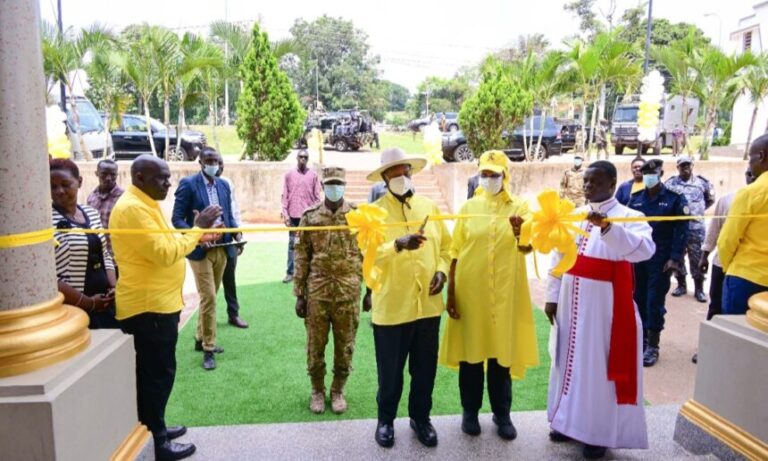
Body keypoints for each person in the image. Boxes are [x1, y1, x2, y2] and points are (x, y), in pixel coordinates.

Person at [111, 155, 222, 461]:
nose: (168, 183)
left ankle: (153, 426)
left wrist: (196, 233)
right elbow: (164, 253)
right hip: (149, 309)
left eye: (167, 177)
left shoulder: (144, 203)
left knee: (155, 373)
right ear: (139, 177)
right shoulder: (133, 208)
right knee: (157, 375)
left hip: (158, 306)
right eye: (161, 178)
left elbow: (170, 239)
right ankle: (157, 441)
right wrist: (197, 229)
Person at [545, 160, 655, 460]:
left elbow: (644, 250)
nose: (588, 186)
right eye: (586, 182)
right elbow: (559, 255)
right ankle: (567, 422)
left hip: (604, 308)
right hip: (570, 300)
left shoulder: (630, 216)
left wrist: (607, 229)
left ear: (611, 183)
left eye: (595, 182)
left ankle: (596, 432)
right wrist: (552, 296)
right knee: (569, 362)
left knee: (596, 367)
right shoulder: (575, 215)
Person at [439, 151, 539, 440]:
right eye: (485, 173)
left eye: (495, 174)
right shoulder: (469, 207)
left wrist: (522, 233)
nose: (489, 178)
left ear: (505, 175)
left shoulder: (520, 207)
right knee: (471, 357)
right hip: (472, 293)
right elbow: (456, 252)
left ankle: (502, 414)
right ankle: (469, 412)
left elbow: (527, 248)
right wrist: (452, 293)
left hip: (505, 295)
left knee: (500, 357)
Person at [366, 147, 451, 449]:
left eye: (405, 171)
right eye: (394, 172)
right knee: (390, 374)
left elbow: (446, 248)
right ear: (384, 177)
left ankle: (421, 418)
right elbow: (366, 256)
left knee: (425, 370)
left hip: (427, 308)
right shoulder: (373, 213)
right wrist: (397, 245)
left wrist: (441, 272)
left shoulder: (429, 207)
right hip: (391, 309)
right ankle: (385, 420)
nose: (401, 176)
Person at [293, 167, 365, 415]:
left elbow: (369, 252)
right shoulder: (310, 217)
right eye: (331, 184)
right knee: (316, 346)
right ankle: (317, 390)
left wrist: (371, 291)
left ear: (345, 185)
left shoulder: (358, 216)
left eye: (339, 183)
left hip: (349, 292)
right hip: (318, 293)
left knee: (345, 347)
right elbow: (301, 256)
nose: (335, 188)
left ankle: (337, 390)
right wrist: (299, 295)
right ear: (323, 186)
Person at [172, 147, 239, 371]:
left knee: (210, 296)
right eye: (209, 160)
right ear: (200, 162)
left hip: (221, 248)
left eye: (216, 161)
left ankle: (200, 337)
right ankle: (209, 348)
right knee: (209, 297)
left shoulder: (223, 185)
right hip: (200, 250)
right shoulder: (189, 184)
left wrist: (236, 234)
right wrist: (197, 232)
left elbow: (227, 215)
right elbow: (176, 219)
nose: (213, 164)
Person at [628, 159, 689, 367]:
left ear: (661, 173)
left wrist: (675, 258)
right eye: (646, 172)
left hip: (661, 259)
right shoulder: (636, 199)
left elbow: (682, 230)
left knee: (654, 300)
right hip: (639, 258)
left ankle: (653, 345)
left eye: (652, 172)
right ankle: (641, 339)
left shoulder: (674, 199)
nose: (649, 176)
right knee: (638, 298)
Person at [693, 168, 756, 363]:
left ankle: (740, 355)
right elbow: (715, 230)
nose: (751, 177)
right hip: (722, 264)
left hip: (750, 269)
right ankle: (708, 348)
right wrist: (705, 255)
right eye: (748, 174)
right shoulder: (728, 199)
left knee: (748, 315)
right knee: (716, 306)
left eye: (755, 175)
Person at [51, 158, 119, 329]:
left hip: (105, 302)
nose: (59, 191)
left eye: (65, 184)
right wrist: (88, 303)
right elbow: (51, 277)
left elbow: (105, 254)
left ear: (79, 182)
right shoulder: (45, 222)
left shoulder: (91, 213)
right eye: (53, 186)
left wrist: (113, 286)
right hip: (73, 309)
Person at [718, 133, 768, 314]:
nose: (750, 163)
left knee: (737, 336)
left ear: (761, 156)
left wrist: (728, 268)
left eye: (751, 158)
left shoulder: (751, 193)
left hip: (745, 277)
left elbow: (727, 240)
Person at [665, 156, 715, 303]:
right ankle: (681, 285)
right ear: (677, 167)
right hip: (678, 228)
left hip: (696, 227)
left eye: (688, 165)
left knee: (697, 257)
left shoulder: (702, 183)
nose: (685, 167)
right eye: (682, 165)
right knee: (678, 256)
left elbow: (709, 200)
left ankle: (699, 288)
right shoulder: (670, 183)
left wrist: (696, 211)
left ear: (692, 166)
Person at [215, 155, 249, 329]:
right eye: (214, 163)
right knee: (209, 288)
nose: (218, 166)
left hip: (228, 240)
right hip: (208, 244)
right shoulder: (194, 185)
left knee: (230, 278)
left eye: (221, 163)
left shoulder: (227, 184)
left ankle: (233, 314)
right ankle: (206, 322)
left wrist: (238, 235)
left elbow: (233, 210)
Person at [281, 150, 321, 283]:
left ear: (308, 159)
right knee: (292, 245)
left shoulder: (314, 175)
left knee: (309, 245)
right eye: (300, 157)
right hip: (293, 216)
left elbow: (317, 198)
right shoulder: (289, 175)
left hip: (308, 217)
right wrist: (285, 215)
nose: (303, 159)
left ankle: (309, 273)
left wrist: (315, 215)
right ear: (296, 158)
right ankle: (290, 273)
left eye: (305, 157)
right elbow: (284, 196)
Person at [87, 158, 124, 257]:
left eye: (113, 175)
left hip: (117, 256)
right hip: (96, 254)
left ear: (117, 175)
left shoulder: (124, 198)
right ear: (97, 173)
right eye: (104, 174)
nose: (108, 178)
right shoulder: (92, 197)